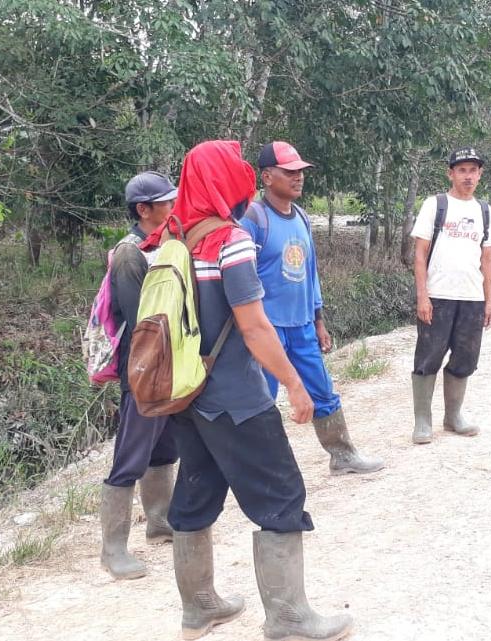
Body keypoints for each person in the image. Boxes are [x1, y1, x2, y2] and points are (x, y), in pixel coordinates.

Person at [139, 141, 352, 641]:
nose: (245, 179)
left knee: (195, 493)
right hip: (236, 399)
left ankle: (199, 608)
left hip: (185, 396)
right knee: (280, 495)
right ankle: (289, 619)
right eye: (238, 171)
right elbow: (255, 328)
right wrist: (297, 386)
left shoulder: (168, 240)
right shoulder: (229, 241)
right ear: (223, 180)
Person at [239, 140, 384, 476]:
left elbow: (310, 273)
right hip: (267, 330)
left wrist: (319, 320)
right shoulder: (252, 221)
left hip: (303, 326)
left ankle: (343, 455)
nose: (298, 177)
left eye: (301, 171)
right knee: (262, 400)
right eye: (290, 172)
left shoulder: (302, 218)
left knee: (323, 390)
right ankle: (258, 471)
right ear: (267, 176)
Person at [100, 171, 179, 580]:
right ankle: (113, 550)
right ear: (143, 210)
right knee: (130, 457)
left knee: (164, 449)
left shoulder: (164, 245)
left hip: (167, 367)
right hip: (145, 370)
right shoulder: (132, 255)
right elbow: (141, 322)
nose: (173, 207)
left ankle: (159, 520)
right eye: (165, 203)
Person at [409, 147, 491, 445]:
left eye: (473, 170)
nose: (468, 176)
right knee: (428, 356)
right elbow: (419, 254)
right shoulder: (435, 205)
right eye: (462, 170)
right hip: (438, 295)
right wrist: (423, 296)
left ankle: (453, 415)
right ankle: (423, 420)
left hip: (472, 297)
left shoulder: (485, 211)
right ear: (451, 173)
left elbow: (487, 259)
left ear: (480, 174)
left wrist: (489, 300)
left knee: (466, 357)